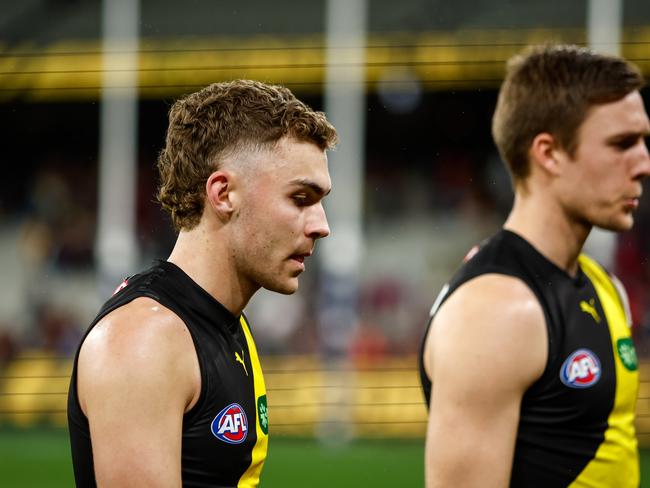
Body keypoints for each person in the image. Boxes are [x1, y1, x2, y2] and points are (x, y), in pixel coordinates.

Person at [67, 79, 338, 487]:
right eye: (300, 198)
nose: (321, 226)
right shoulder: (145, 341)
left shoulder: (223, 320)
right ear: (223, 193)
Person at [419, 44, 650, 488]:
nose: (642, 163)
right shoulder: (497, 311)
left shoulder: (604, 286)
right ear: (549, 153)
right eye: (622, 143)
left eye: (642, 141)